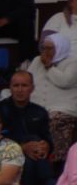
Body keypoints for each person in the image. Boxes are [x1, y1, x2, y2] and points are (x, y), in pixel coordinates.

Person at [0, 70, 54, 185]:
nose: (20, 90)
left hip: (35, 154)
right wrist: (22, 147)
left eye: (24, 85)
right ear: (10, 88)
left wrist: (46, 145)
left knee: (34, 150)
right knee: (29, 160)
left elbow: (47, 138)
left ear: (32, 88)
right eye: (16, 85)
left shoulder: (40, 111)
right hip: (6, 156)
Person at [26, 32, 77, 160]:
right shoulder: (37, 61)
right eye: (44, 48)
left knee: (54, 121)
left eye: (50, 48)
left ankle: (56, 160)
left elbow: (65, 81)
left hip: (63, 109)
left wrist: (49, 66)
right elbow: (28, 80)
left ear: (60, 48)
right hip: (38, 108)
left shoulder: (72, 62)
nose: (46, 52)